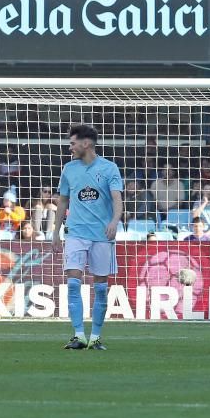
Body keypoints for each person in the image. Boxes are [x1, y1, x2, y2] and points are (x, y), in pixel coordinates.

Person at [52, 124, 123, 351]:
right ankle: (79, 335)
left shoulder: (109, 168)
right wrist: (55, 231)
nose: (70, 147)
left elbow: (117, 199)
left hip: (101, 235)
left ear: (86, 144)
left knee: (101, 287)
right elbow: (63, 200)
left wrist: (114, 221)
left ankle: (96, 337)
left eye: (73, 143)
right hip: (75, 233)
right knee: (73, 282)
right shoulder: (69, 169)